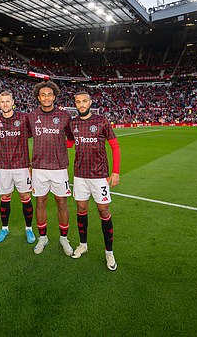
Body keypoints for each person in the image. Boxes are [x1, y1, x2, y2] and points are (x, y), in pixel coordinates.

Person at [70, 91, 121, 271]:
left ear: (90, 102)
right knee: (81, 209)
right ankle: (83, 245)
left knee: (103, 210)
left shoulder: (101, 121)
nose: (82, 104)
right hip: (79, 175)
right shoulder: (73, 123)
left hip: (100, 176)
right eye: (78, 102)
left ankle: (109, 252)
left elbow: (115, 146)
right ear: (75, 104)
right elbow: (68, 143)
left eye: (84, 101)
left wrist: (115, 172)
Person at [27, 81, 75, 256]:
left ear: (54, 96)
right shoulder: (31, 117)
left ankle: (64, 238)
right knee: (40, 202)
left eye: (49, 94)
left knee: (62, 202)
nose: (46, 97)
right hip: (39, 167)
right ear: (38, 97)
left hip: (59, 167)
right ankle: (43, 237)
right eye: (43, 95)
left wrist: (59, 150)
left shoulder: (64, 116)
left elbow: (71, 139)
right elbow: (22, 138)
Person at [0, 90, 35, 244]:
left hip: (22, 166)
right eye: (2, 101)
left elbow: (36, 134)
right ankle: (4, 228)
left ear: (13, 102)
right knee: (5, 198)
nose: (5, 104)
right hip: (3, 166)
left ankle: (28, 229)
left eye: (7, 101)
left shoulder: (24, 118)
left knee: (25, 197)